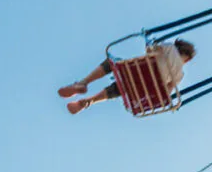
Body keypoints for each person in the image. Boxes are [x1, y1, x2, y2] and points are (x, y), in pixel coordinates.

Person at [58, 39, 196, 115]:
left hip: (133, 72)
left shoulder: (169, 47)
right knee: (122, 89)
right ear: (187, 59)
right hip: (141, 89)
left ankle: (84, 82)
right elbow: (166, 93)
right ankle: (89, 101)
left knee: (114, 64)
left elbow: (150, 50)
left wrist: (150, 44)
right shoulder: (180, 75)